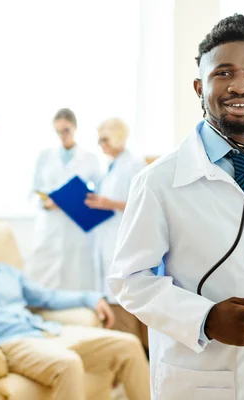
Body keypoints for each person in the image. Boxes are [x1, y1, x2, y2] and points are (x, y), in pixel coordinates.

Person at [107, 14, 244, 400]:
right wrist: (206, 319)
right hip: (201, 376)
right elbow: (129, 279)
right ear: (200, 86)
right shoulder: (158, 181)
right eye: (224, 73)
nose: (240, 85)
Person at [0, 217, 151, 400]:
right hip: (12, 342)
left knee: (129, 344)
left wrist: (91, 298)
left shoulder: (8, 272)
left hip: (47, 331)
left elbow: (47, 297)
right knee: (68, 364)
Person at [84, 117, 147, 349]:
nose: (100, 145)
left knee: (123, 299)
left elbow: (142, 204)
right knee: (112, 296)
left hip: (123, 240)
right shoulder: (112, 165)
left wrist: (107, 202)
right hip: (107, 238)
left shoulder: (133, 164)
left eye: (104, 139)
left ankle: (133, 360)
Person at [26, 108, 102, 291]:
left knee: (77, 277)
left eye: (66, 130)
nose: (62, 135)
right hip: (50, 224)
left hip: (77, 227)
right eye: (58, 131)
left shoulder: (90, 158)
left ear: (75, 128)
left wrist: (80, 200)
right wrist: (45, 203)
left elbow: (98, 194)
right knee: (42, 277)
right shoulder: (44, 156)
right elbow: (33, 192)